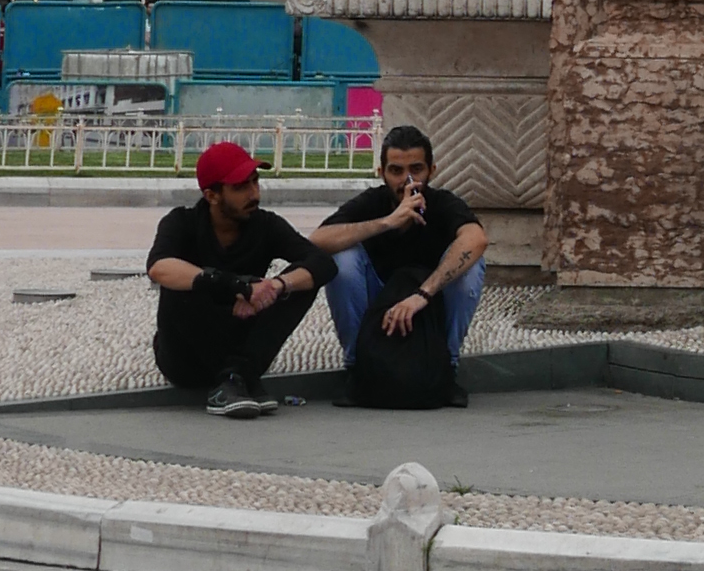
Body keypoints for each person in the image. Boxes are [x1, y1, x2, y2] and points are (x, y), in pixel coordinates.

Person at [142, 143, 332, 416]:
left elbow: (322, 263)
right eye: (241, 187)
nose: (254, 194)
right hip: (186, 358)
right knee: (185, 279)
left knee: (300, 283)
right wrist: (236, 286)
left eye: (255, 183)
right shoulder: (181, 222)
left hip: (242, 349)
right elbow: (158, 267)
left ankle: (236, 379)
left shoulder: (265, 224)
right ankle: (232, 381)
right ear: (212, 195)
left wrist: (274, 287)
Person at [315, 124, 489, 396]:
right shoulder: (371, 202)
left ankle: (448, 368)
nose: (407, 181)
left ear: (432, 170)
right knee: (341, 259)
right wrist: (387, 222)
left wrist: (423, 294)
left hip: (426, 304)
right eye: (396, 171)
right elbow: (317, 240)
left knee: (470, 267)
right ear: (381, 172)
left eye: (416, 170)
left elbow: (476, 240)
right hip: (377, 302)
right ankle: (356, 367)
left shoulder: (443, 204)